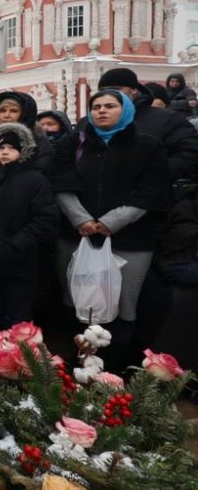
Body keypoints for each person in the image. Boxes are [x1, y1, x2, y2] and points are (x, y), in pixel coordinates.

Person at [52, 89, 169, 371]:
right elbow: (60, 181)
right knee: (79, 300)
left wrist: (113, 221)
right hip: (77, 236)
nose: (102, 111)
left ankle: (113, 368)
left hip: (130, 240)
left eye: (110, 106)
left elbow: (151, 190)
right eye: (96, 107)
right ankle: (82, 364)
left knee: (122, 304)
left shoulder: (148, 146)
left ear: (125, 110)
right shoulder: (74, 142)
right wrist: (80, 219)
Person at [0, 123, 59, 331]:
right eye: (1, 147)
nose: (5, 152)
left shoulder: (35, 181)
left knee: (18, 317)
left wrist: (16, 244)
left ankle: (17, 351)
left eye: (11, 147)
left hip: (20, 262)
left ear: (23, 150)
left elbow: (45, 220)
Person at [96, 67, 198, 183]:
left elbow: (190, 154)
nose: (109, 95)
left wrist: (152, 175)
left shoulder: (167, 120)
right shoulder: (88, 123)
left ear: (134, 91)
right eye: (103, 91)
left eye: (116, 89)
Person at [0, 91, 54, 176]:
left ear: (23, 115)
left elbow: (42, 169)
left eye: (14, 111)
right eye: (2, 110)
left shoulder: (38, 141)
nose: (7, 115)